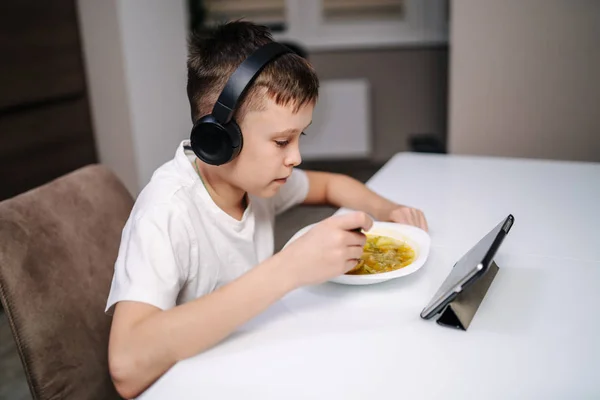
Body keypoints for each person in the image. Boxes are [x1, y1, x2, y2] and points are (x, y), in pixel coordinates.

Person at [105, 21, 428, 398]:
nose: (296, 157)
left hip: (250, 362)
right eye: (281, 141)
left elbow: (330, 185)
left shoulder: (256, 182)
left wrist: (389, 208)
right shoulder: (166, 212)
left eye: (299, 137)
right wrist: (289, 268)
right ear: (218, 140)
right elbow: (126, 367)